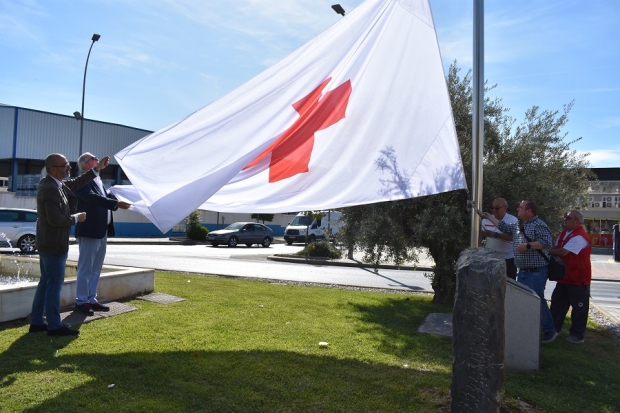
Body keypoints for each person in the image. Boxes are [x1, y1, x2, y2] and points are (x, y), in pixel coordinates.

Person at [29, 153, 109, 336]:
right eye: (65, 165)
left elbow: (75, 183)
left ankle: (36, 322)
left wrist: (96, 169)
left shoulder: (57, 185)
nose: (69, 167)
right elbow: (55, 219)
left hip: (49, 243)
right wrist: (76, 218)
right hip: (53, 245)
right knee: (53, 286)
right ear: (53, 169)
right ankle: (54, 326)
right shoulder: (50, 188)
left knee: (45, 283)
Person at [482, 199, 557, 343]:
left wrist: (527, 246)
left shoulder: (539, 225)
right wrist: (488, 216)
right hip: (523, 271)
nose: (517, 209)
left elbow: (547, 243)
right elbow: (503, 227)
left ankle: (549, 331)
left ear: (529, 211)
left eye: (520, 207)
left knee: (537, 301)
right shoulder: (519, 224)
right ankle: (529, 330)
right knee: (527, 301)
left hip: (536, 271)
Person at [74, 153, 131, 315]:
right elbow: (93, 198)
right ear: (85, 165)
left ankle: (91, 299)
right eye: (93, 159)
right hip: (89, 230)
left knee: (96, 268)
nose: (97, 160)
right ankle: (81, 301)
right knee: (85, 269)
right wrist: (115, 202)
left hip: (101, 231)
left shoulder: (97, 181)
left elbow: (102, 199)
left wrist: (116, 196)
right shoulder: (81, 181)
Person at [549, 210, 591, 344]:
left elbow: (563, 251)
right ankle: (554, 329)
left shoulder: (579, 236)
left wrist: (542, 250)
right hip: (565, 276)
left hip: (578, 279)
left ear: (576, 222)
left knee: (579, 308)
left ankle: (577, 335)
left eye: (568, 218)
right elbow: (557, 246)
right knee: (557, 304)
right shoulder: (565, 233)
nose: (565, 219)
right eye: (565, 217)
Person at [480, 197, 518, 279]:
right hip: (490, 259)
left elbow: (514, 237)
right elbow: (480, 236)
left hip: (508, 259)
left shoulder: (513, 220)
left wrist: (496, 235)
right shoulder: (486, 220)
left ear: (505, 208)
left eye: (497, 208)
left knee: (509, 286)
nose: (494, 210)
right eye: (492, 208)